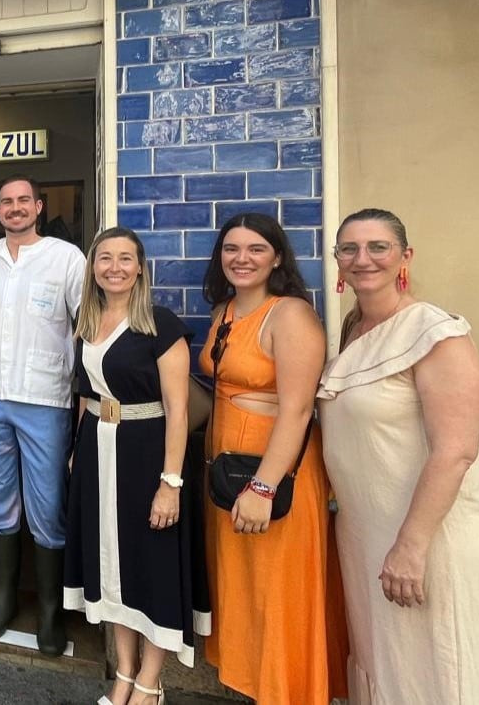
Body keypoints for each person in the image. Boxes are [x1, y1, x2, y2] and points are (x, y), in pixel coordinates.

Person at [318, 209, 479, 704]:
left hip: (431, 537)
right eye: (349, 249)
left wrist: (412, 545)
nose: (363, 259)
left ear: (405, 256)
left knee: (443, 669)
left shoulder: (435, 331)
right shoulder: (352, 328)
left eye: (378, 247)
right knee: (390, 666)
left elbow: (456, 450)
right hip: (367, 533)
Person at [198, 212, 346, 705]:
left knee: (278, 593)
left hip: (271, 472)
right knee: (243, 592)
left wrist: (263, 487)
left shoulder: (291, 315)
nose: (242, 259)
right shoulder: (224, 311)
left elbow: (299, 408)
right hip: (225, 467)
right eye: (231, 249)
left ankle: (287, 694)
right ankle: (253, 688)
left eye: (256, 249)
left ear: (277, 256)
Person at [64, 228, 195, 705]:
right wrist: (78, 449)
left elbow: (178, 410)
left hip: (146, 453)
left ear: (140, 267)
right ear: (93, 267)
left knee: (151, 564)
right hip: (98, 448)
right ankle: (124, 673)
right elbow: (86, 391)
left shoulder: (160, 324)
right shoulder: (87, 317)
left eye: (125, 258)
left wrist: (171, 482)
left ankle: (150, 683)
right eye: (104, 258)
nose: (114, 267)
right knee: (110, 564)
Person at [0, 174, 87, 655]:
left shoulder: (66, 258)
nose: (15, 208)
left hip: (45, 397)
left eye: (23, 201)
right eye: (6, 203)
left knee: (47, 503)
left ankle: (49, 611)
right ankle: (3, 600)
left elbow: (86, 327)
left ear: (39, 206)